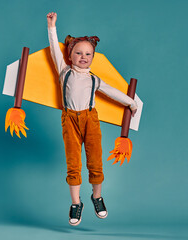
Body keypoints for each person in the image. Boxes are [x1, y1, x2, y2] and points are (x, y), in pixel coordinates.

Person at [46, 12, 137, 226]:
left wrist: (131, 103)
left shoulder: (94, 79)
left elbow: (112, 92)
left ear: (93, 58)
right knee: (73, 164)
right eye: (78, 53)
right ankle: (76, 204)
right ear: (70, 55)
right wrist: (52, 27)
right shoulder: (64, 72)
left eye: (88, 54)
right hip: (69, 120)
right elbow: (53, 49)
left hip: (90, 120)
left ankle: (97, 197)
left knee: (95, 162)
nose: (83, 57)